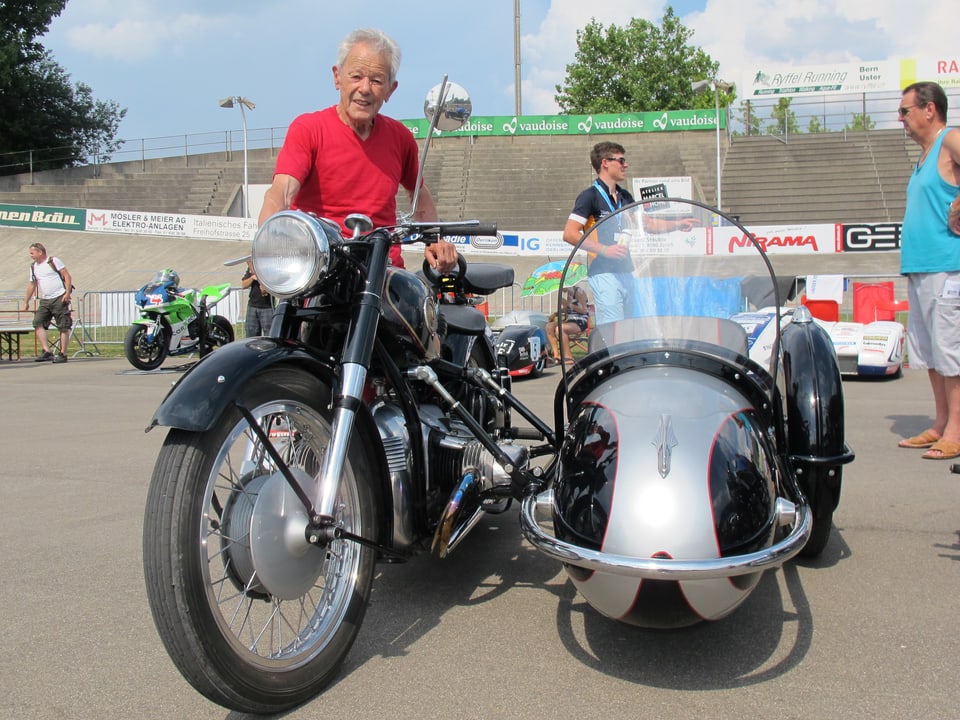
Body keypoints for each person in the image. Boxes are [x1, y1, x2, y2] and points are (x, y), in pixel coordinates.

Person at [258, 27, 456, 273]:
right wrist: (264, 248)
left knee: (414, 303)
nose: (364, 88)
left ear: (390, 90)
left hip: (383, 271)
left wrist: (435, 240)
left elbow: (420, 197)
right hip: (321, 270)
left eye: (376, 80)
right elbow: (281, 193)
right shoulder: (308, 129)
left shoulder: (400, 138)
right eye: (356, 76)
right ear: (337, 77)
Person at [894, 81, 960, 460]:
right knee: (934, 355)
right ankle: (940, 422)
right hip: (921, 268)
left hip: (946, 266)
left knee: (950, 352)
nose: (901, 118)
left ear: (929, 110)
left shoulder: (950, 139)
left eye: (905, 111)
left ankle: (955, 429)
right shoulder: (923, 157)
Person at [562, 142, 637, 325]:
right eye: (621, 161)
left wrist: (678, 223)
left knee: (630, 331)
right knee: (614, 332)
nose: (625, 165)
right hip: (604, 273)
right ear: (605, 162)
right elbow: (570, 234)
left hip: (627, 271)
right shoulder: (590, 196)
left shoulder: (625, 196)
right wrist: (604, 249)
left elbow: (647, 223)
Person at [22, 242, 73, 363]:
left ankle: (63, 354)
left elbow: (67, 276)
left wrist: (67, 293)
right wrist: (26, 301)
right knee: (38, 322)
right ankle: (47, 351)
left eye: (32, 253)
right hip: (45, 300)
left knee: (63, 325)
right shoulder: (33, 266)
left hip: (59, 297)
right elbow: (32, 284)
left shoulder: (53, 261)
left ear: (40, 252)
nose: (31, 255)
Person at [546, 285, 590, 364]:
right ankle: (556, 355)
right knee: (549, 326)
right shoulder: (569, 293)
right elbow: (568, 310)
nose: (561, 289)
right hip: (570, 320)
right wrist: (556, 313)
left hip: (580, 321)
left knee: (560, 328)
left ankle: (568, 357)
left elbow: (584, 310)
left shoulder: (579, 293)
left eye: (561, 287)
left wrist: (569, 304)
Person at [241, 259, 274, 337]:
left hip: (267, 307)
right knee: (251, 335)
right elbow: (244, 285)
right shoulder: (253, 267)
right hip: (252, 306)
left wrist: (266, 288)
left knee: (269, 335)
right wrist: (252, 278)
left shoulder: (271, 268)